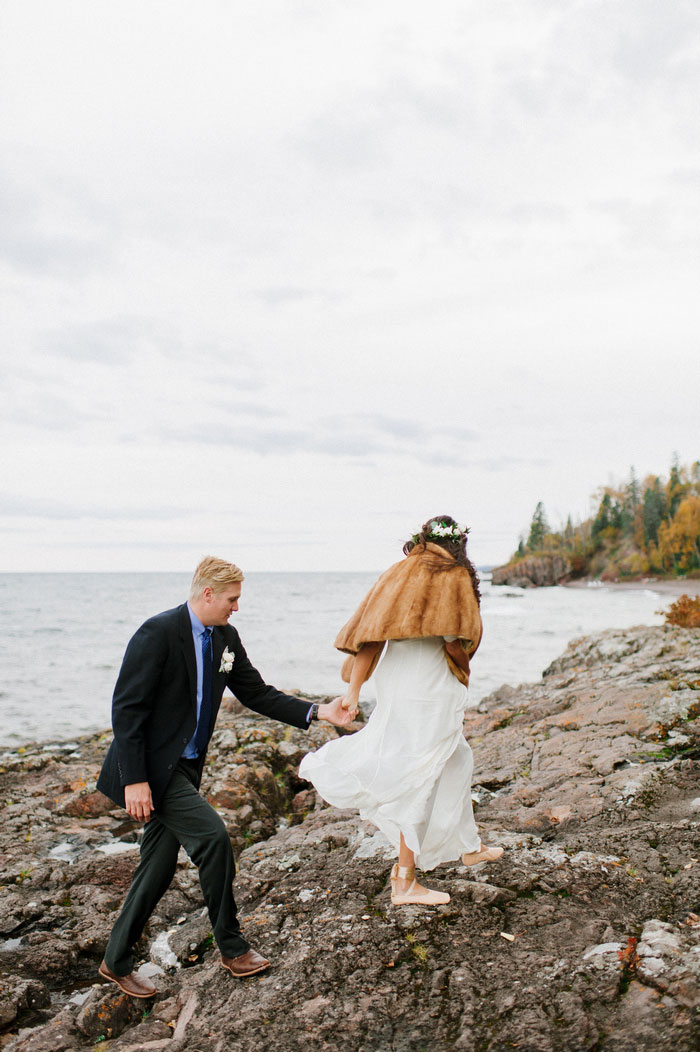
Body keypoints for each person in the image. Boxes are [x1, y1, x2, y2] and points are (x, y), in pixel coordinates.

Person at [96, 555, 352, 996]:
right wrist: (134, 779)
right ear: (208, 593)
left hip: (186, 768)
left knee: (156, 867)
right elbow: (127, 709)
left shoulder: (225, 638)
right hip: (153, 771)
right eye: (232, 599)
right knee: (213, 837)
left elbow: (255, 692)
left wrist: (318, 711)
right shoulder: (157, 632)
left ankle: (115, 961)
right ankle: (231, 948)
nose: (237, 607)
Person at [299, 516, 504, 906]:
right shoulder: (453, 573)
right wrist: (462, 666)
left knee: (456, 757)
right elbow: (455, 641)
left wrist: (353, 691)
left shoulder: (398, 573)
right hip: (427, 682)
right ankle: (404, 880)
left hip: (398, 677)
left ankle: (468, 845)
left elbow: (369, 639)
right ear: (459, 543)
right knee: (421, 770)